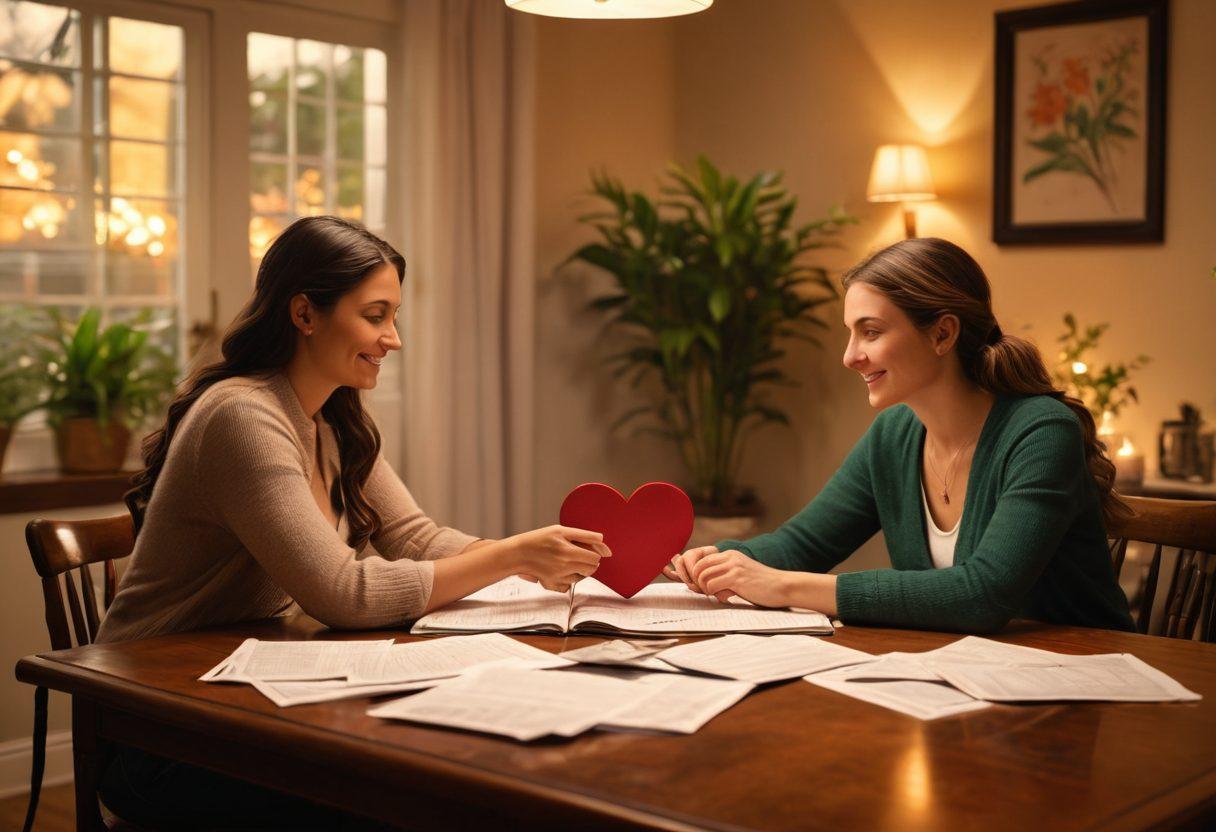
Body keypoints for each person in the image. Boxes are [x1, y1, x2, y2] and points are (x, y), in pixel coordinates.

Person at [95, 216, 607, 828]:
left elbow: (417, 538)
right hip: (159, 732)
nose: (393, 338)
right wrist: (512, 557)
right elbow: (343, 593)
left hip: (237, 697)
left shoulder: (334, 419)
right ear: (305, 314)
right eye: (375, 315)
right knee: (405, 796)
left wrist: (536, 557)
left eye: (394, 316)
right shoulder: (242, 418)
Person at [665, 237, 1134, 634]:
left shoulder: (1040, 430)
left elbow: (983, 594)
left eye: (870, 332)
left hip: (1091, 689)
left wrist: (784, 586)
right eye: (851, 334)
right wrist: (696, 562)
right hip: (963, 680)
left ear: (943, 334)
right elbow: (800, 546)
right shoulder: (894, 434)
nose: (850, 357)